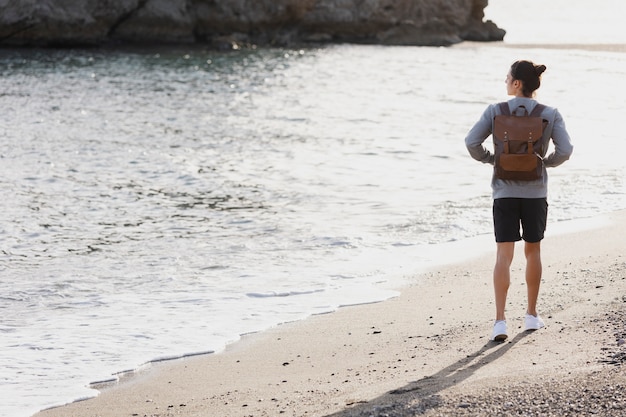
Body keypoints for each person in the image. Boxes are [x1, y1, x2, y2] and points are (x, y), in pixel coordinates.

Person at [465, 60, 574, 342]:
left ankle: (500, 322)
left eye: (507, 77)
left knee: (504, 255)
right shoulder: (550, 114)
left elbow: (471, 143)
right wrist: (545, 164)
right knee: (533, 252)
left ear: (516, 84)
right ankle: (531, 315)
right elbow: (566, 150)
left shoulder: (494, 111)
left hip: (504, 193)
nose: (505, 81)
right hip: (535, 193)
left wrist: (493, 160)